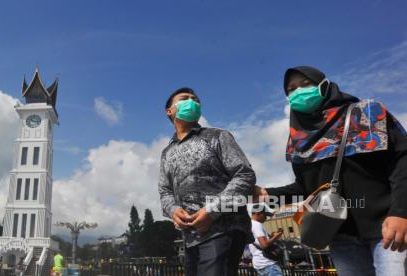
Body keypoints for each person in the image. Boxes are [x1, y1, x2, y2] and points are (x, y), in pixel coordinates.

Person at [254, 66, 407, 275]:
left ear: (324, 85)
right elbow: (308, 188)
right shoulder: (298, 140)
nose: (298, 91)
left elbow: (401, 161)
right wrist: (268, 194)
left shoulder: (367, 113)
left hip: (387, 227)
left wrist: (401, 212)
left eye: (306, 84)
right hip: (339, 234)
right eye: (291, 89)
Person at [158, 87, 256, 276]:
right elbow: (164, 191)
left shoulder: (218, 136)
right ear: (169, 111)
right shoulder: (166, 152)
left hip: (224, 228)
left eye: (195, 99)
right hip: (191, 235)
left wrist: (212, 211)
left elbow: (244, 175)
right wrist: (173, 210)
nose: (192, 101)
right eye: (185, 98)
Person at [249, 204, 283, 276]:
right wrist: (276, 236)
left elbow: (258, 242)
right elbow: (264, 245)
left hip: (259, 263)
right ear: (257, 213)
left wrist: (271, 236)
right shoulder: (257, 225)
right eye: (264, 215)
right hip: (267, 263)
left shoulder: (250, 224)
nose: (266, 217)